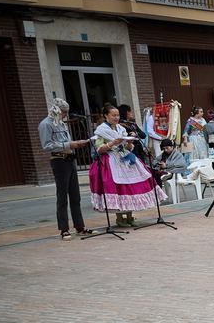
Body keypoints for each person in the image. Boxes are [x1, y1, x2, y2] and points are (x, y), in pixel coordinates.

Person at [90, 104, 166, 229]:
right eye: (113, 115)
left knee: (131, 187)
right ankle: (120, 218)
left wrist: (129, 142)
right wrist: (112, 143)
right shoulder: (101, 130)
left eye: (118, 115)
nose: (116, 117)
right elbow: (98, 149)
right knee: (119, 188)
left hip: (125, 157)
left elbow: (128, 147)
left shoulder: (121, 128)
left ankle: (130, 216)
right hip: (111, 160)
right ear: (106, 115)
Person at [38, 98, 94, 239]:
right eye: (63, 112)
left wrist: (76, 144)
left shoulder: (62, 123)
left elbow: (67, 142)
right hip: (59, 160)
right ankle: (64, 229)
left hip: (69, 159)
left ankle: (79, 226)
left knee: (75, 196)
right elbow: (47, 146)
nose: (65, 115)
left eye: (66, 112)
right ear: (55, 110)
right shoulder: (46, 124)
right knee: (62, 196)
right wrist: (68, 145)